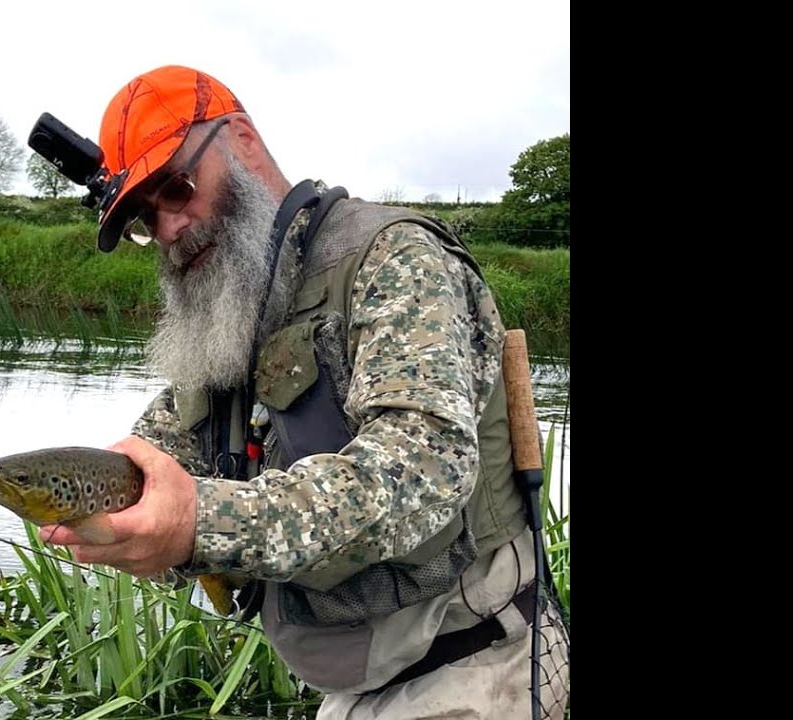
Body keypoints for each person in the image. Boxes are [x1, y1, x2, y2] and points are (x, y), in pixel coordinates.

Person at [33, 64, 570, 719]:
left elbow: (421, 472)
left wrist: (201, 523)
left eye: (175, 187)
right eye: (146, 218)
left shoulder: (393, 257)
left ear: (243, 142)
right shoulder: (230, 306)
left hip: (484, 672)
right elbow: (160, 464)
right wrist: (130, 530)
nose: (169, 228)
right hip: (351, 692)